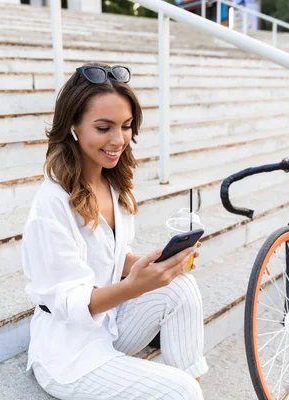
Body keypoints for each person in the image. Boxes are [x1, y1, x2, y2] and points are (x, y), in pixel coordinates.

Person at [21, 61, 208, 399]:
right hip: (67, 352)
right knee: (179, 392)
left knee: (181, 286)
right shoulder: (51, 204)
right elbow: (70, 303)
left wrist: (157, 265)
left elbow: (113, 255)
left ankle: (190, 384)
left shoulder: (112, 184)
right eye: (104, 127)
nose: (118, 139)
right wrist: (136, 286)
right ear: (74, 126)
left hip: (108, 327)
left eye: (125, 126)